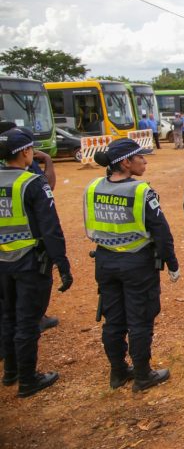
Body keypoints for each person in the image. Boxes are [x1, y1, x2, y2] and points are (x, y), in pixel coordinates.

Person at [84, 138, 178, 391]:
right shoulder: (140, 191)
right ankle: (143, 375)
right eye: (140, 157)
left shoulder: (92, 188)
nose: (145, 161)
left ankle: (117, 372)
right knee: (140, 320)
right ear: (126, 162)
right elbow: (161, 231)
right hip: (137, 263)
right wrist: (172, 263)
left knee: (113, 320)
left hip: (105, 261)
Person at [0, 127, 73, 397]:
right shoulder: (32, 182)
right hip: (29, 262)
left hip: (2, 261)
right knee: (28, 321)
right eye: (30, 149)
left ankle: (11, 372)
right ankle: (29, 379)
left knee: (8, 317)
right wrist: (62, 265)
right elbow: (50, 227)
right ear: (24, 152)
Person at [0, 122, 60, 333]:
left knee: (8, 314)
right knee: (25, 318)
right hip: (27, 253)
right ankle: (24, 363)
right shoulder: (27, 174)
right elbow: (47, 189)